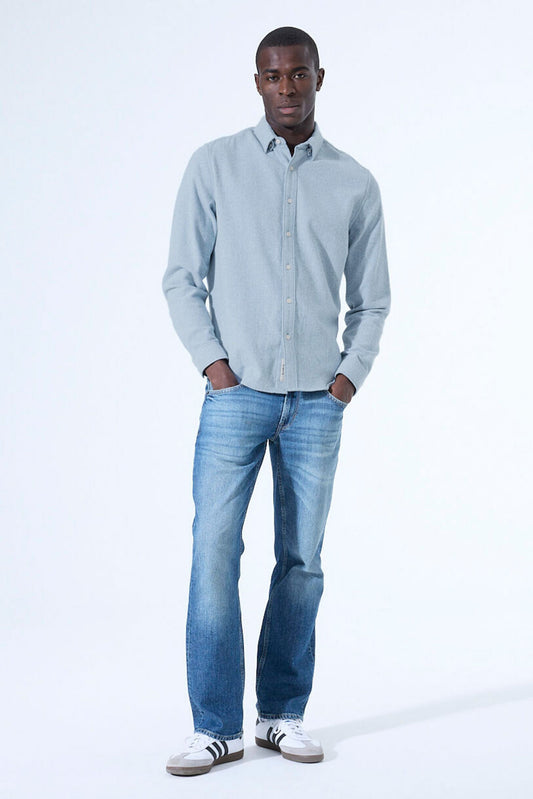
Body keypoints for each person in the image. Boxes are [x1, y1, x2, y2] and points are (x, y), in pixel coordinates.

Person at [161, 26, 391, 777]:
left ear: (319, 77)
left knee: (301, 560)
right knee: (213, 552)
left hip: (317, 401)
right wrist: (214, 364)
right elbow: (181, 277)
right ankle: (215, 726)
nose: (286, 87)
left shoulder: (354, 182)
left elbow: (373, 299)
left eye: (298, 74)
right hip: (236, 395)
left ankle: (280, 715)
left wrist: (347, 377)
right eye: (272, 75)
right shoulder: (214, 165)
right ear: (256, 81)